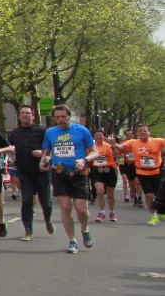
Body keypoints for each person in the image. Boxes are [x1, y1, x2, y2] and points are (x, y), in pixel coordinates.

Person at [41, 104, 96, 253]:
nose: (61, 119)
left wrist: (84, 160)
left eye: (64, 117)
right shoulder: (50, 133)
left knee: (81, 209)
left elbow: (95, 152)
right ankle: (72, 241)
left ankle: (84, 229)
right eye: (57, 117)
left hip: (79, 173)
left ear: (69, 116)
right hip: (59, 173)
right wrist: (43, 162)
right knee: (65, 207)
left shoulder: (82, 130)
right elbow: (47, 152)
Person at [7, 105, 52, 241]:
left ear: (33, 115)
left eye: (27, 113)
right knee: (27, 201)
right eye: (22, 113)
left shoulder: (43, 131)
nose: (25, 115)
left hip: (41, 171)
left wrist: (42, 152)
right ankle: (28, 231)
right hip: (24, 172)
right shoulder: (15, 133)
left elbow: (51, 148)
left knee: (45, 202)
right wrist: (9, 155)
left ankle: (48, 219)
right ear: (19, 117)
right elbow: (10, 147)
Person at [114, 124, 165, 224]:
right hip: (142, 172)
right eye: (140, 131)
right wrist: (114, 144)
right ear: (137, 133)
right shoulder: (132, 142)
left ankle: (162, 211)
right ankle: (153, 215)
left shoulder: (158, 141)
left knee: (160, 194)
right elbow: (121, 147)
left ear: (149, 132)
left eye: (145, 131)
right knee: (149, 195)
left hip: (157, 172)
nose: (142, 132)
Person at [89, 130, 118, 223]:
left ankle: (112, 212)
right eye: (96, 135)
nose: (99, 137)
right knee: (100, 191)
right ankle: (101, 212)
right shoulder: (91, 147)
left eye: (100, 135)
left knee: (110, 194)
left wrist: (113, 147)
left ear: (104, 137)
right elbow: (88, 158)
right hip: (97, 171)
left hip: (110, 170)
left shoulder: (109, 146)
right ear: (94, 137)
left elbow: (116, 156)